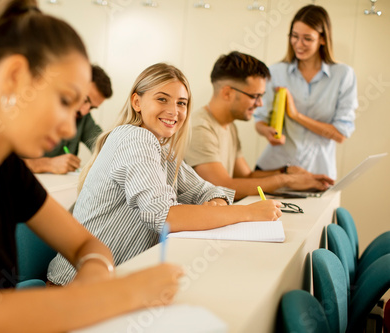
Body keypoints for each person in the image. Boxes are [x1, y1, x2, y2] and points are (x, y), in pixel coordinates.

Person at [0, 1, 183, 332]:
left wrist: (94, 280)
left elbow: (88, 246)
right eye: (64, 101)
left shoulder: (7, 173)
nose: (70, 130)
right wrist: (126, 292)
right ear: (15, 77)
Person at [47, 63, 283, 286]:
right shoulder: (135, 138)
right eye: (162, 99)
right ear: (137, 102)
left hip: (110, 286)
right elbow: (162, 216)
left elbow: (208, 189)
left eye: (182, 103)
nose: (174, 111)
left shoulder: (162, 148)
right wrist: (245, 213)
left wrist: (216, 204)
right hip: (75, 289)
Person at [185, 51, 333, 200]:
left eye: (261, 96)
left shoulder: (229, 127)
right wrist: (286, 180)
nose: (260, 103)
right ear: (227, 93)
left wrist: (287, 171)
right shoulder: (200, 128)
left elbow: (246, 176)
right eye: (254, 96)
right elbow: (222, 187)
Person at [254, 5, 358, 180]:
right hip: (276, 169)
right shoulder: (275, 72)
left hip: (318, 173)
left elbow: (340, 135)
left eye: (307, 39)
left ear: (323, 39)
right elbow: (260, 120)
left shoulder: (343, 75)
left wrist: (295, 115)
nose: (298, 44)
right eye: (294, 36)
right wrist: (267, 132)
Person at [24, 64, 113, 174]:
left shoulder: (84, 117)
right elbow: (0, 164)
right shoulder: (28, 107)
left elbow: (104, 145)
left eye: (92, 108)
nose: (84, 111)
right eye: (85, 100)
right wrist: (47, 164)